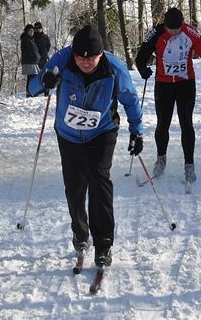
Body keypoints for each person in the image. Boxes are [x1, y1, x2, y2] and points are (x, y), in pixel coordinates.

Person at [28, 25, 143, 268]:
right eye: (80, 57)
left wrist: (137, 131)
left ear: (101, 53)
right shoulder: (63, 60)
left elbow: (130, 100)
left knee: (99, 181)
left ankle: (104, 243)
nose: (86, 62)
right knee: (75, 186)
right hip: (69, 134)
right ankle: (80, 234)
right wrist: (45, 80)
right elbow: (32, 88)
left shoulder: (114, 68)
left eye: (91, 57)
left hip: (102, 131)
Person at [134, 7, 201, 184]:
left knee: (186, 122)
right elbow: (141, 55)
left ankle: (189, 165)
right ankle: (161, 159)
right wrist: (143, 70)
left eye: (177, 29)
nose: (173, 32)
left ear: (182, 24)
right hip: (163, 84)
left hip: (185, 83)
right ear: (165, 25)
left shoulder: (190, 32)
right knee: (163, 123)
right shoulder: (156, 32)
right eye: (170, 30)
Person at [20, 24, 40, 97]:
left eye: (33, 30)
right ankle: (31, 93)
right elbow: (27, 51)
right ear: (27, 31)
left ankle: (31, 93)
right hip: (29, 62)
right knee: (32, 78)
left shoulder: (30, 39)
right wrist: (34, 57)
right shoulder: (25, 39)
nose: (32, 32)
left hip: (33, 62)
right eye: (30, 31)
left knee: (32, 78)